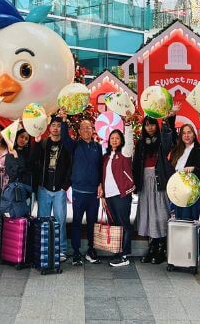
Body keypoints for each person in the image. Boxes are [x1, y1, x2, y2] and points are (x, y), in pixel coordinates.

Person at [133, 106, 178, 265]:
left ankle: (161, 247)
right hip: (145, 181)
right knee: (148, 214)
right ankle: (152, 247)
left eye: (152, 124)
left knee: (160, 214)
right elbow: (135, 164)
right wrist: (135, 183)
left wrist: (167, 121)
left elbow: (169, 141)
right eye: (146, 124)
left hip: (160, 181)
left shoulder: (161, 140)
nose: (149, 127)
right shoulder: (140, 143)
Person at [60, 112, 103, 266]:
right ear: (79, 132)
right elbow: (64, 139)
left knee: (93, 223)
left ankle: (91, 250)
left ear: (93, 130)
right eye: (83, 128)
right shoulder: (75, 146)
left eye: (89, 128)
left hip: (93, 194)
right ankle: (76, 252)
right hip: (78, 191)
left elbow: (101, 168)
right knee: (77, 222)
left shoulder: (98, 147)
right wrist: (64, 121)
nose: (86, 131)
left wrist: (101, 184)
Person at [30, 115, 72, 261]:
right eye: (53, 125)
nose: (55, 128)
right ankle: (44, 247)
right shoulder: (43, 143)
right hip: (44, 189)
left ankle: (61, 250)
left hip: (59, 190)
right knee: (43, 220)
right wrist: (36, 142)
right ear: (49, 127)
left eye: (58, 125)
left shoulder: (65, 144)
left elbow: (70, 167)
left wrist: (64, 186)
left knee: (60, 221)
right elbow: (33, 160)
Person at [102, 129, 135, 267]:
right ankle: (117, 252)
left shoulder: (125, 154)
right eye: (112, 138)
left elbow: (130, 142)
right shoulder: (106, 157)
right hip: (108, 196)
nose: (114, 140)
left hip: (121, 194)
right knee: (114, 225)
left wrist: (127, 125)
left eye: (117, 138)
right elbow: (103, 176)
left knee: (124, 224)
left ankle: (125, 255)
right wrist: (102, 194)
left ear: (121, 140)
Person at [167, 123, 200, 221]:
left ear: (194, 134)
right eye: (184, 133)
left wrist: (194, 169)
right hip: (177, 192)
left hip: (192, 193)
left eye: (189, 132)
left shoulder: (198, 151)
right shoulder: (176, 151)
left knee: (189, 223)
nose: (186, 135)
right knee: (178, 222)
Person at [1, 128, 33, 217]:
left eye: (26, 139)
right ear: (16, 137)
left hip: (26, 190)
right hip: (14, 190)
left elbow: (24, 169)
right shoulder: (9, 154)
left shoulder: (29, 154)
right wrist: (15, 156)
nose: (24, 140)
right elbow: (13, 174)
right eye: (22, 137)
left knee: (24, 216)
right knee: (13, 215)